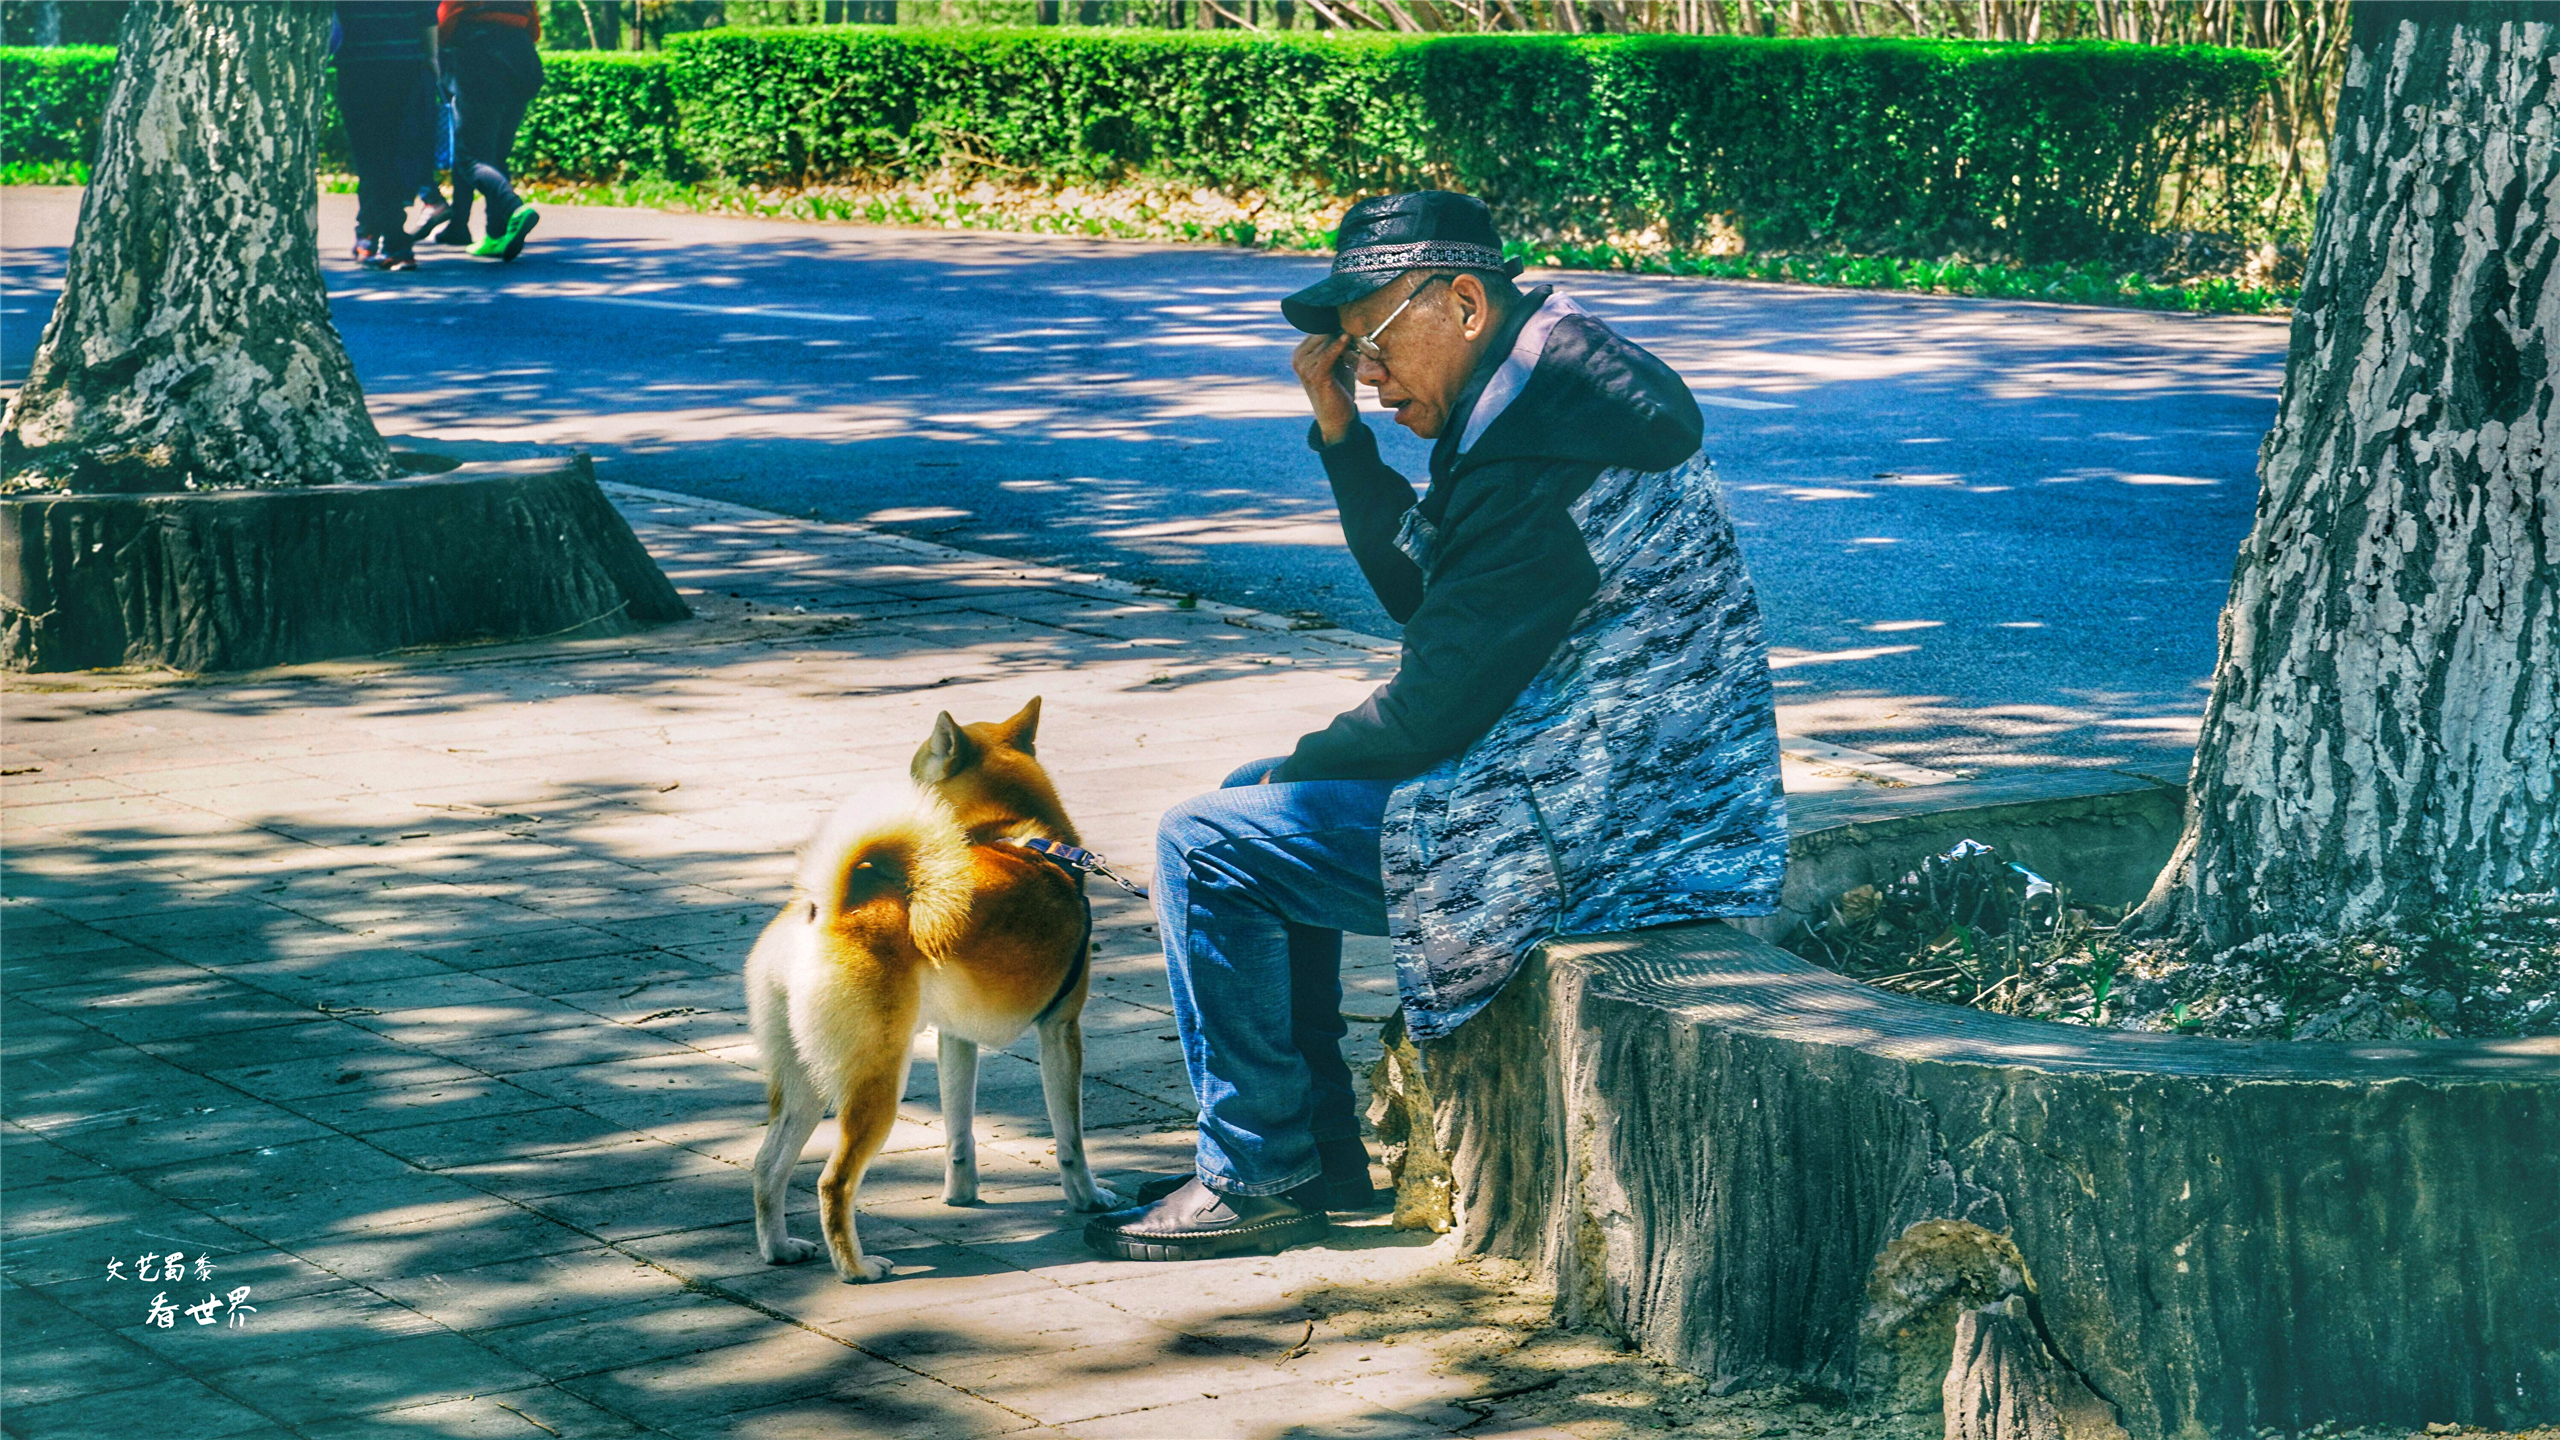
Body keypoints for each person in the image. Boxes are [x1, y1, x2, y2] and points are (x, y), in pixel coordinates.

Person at [1082, 192, 1790, 1261]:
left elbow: (1434, 704)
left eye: (1368, 341)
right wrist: (1338, 440)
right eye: (1351, 349)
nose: (1362, 373)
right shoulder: (1541, 402)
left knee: (1209, 837)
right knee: (1246, 793)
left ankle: (1258, 1172)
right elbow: (1431, 592)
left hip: (1613, 834)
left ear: (1461, 302)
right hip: (1606, 790)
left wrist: (1292, 778)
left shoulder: (1545, 454)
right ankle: (1308, 1152)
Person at [330, 1, 442, 271]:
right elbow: (427, 17)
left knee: (369, 157)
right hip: (406, 66)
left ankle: (372, 237)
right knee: (395, 154)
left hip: (357, 66)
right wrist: (432, 60)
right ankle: (390, 241)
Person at [436, 0, 543, 260]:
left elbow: (444, 24)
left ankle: (514, 208)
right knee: (496, 155)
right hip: (522, 65)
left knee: (469, 159)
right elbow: (534, 31)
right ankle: (492, 235)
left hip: (481, 63)